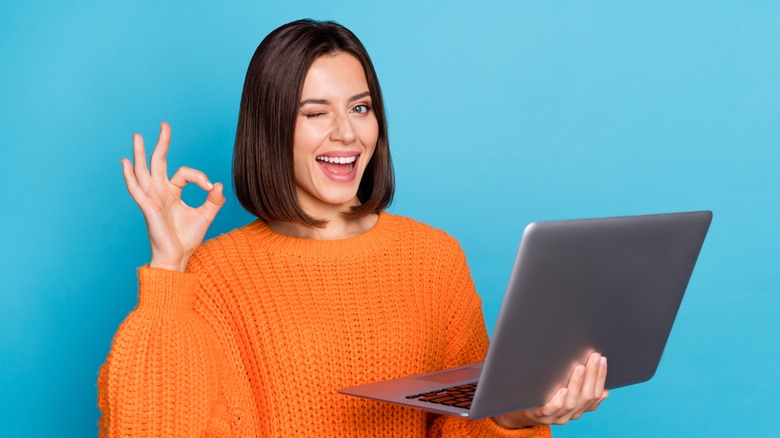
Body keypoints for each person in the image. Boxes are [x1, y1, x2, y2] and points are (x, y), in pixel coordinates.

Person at [98, 19, 608, 437]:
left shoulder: (433, 258)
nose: (346, 133)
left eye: (360, 108)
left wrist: (518, 416)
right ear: (272, 127)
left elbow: (463, 425)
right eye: (315, 113)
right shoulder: (211, 274)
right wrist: (169, 268)